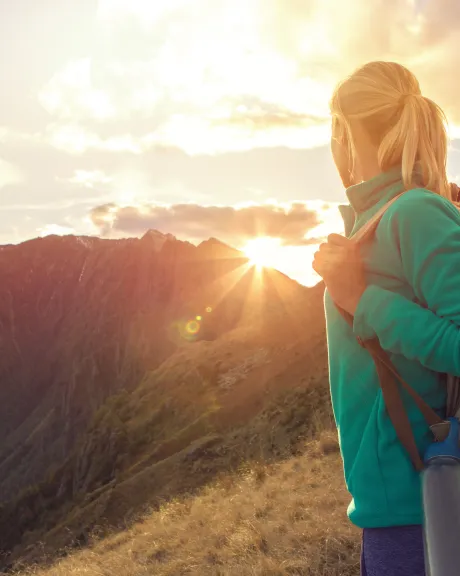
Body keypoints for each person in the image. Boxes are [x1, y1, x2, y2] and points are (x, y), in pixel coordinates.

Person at [312, 61, 460, 576]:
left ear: (343, 132)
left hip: (421, 495)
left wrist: (362, 299)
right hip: (393, 498)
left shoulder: (413, 212)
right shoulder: (385, 218)